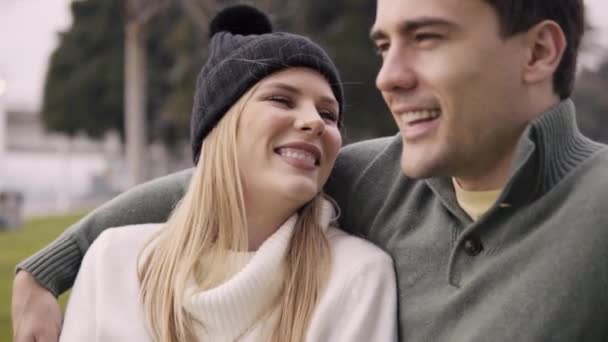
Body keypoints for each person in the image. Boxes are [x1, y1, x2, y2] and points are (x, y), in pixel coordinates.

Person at [13, 0, 608, 341]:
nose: (387, 78)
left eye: (426, 38)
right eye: (383, 47)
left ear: (537, 52)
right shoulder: (384, 176)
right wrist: (51, 265)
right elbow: (223, 180)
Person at [52, 5, 397, 342]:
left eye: (329, 114)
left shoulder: (357, 275)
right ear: (219, 125)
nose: (315, 122)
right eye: (281, 99)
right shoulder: (112, 261)